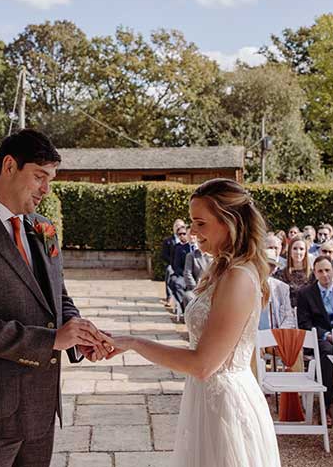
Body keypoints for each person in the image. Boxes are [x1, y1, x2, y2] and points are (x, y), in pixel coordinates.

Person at [0, 129, 111, 467]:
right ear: (10, 166)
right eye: (39, 176)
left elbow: (57, 295)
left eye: (50, 179)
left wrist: (78, 333)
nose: (46, 188)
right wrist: (51, 340)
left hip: (40, 409)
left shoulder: (44, 227)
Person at [107, 179, 280, 467]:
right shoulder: (221, 268)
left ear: (230, 222)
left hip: (226, 403)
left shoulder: (238, 277)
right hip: (206, 397)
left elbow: (203, 364)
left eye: (200, 223)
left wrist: (135, 343)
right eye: (191, 222)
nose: (192, 232)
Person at [296, 255, 333, 410]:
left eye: (327, 270)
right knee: (327, 351)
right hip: (318, 339)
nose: (325, 274)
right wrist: (326, 335)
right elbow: (304, 323)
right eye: (320, 271)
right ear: (315, 273)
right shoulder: (305, 294)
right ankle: (327, 404)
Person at [259, 249, 295, 330]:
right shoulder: (248, 284)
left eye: (272, 265)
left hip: (277, 334)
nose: (268, 268)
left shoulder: (282, 287)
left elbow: (289, 317)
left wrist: (278, 335)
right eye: (266, 264)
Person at [161, 219, 188, 306]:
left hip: (186, 266)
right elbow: (164, 255)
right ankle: (169, 297)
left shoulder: (190, 243)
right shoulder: (168, 241)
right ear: (173, 228)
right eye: (176, 226)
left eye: (181, 226)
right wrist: (172, 263)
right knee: (169, 270)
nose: (179, 228)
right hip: (172, 264)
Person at [166, 226, 193, 309]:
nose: (182, 236)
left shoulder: (201, 247)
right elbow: (176, 266)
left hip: (199, 276)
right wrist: (187, 276)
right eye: (179, 234)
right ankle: (185, 308)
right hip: (184, 275)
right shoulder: (179, 248)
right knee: (176, 283)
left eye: (184, 234)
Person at [280, 237, 312, 307]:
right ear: (290, 251)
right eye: (295, 248)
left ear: (305, 252)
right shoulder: (281, 274)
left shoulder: (313, 274)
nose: (298, 252)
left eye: (301, 249)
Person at [181, 236, 211, 310]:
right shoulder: (191, 256)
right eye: (200, 242)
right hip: (196, 288)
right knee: (188, 296)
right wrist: (196, 288)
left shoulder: (215, 257)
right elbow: (187, 274)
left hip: (211, 289)